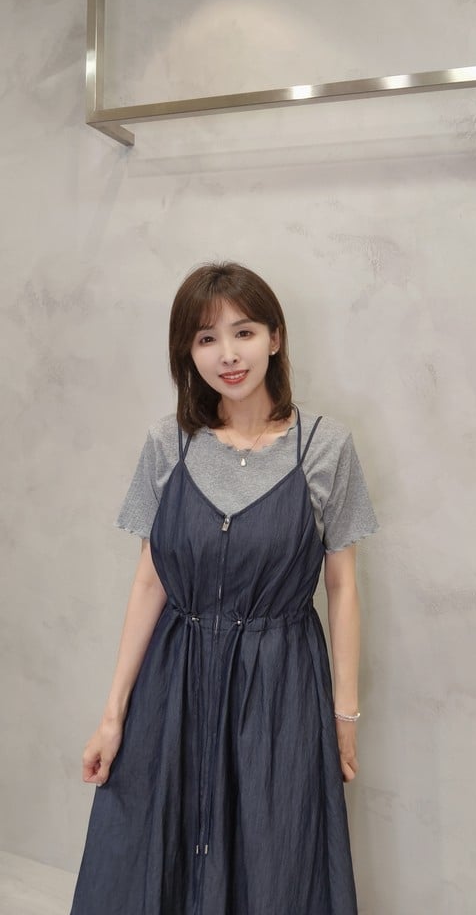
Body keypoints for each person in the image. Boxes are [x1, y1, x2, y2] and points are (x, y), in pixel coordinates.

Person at [70, 261, 378, 915]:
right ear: (187, 352)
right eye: (206, 338)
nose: (228, 355)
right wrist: (112, 715)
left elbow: (343, 586)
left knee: (276, 853)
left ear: (275, 337)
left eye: (244, 332)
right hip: (174, 680)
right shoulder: (169, 444)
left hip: (280, 684)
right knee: (159, 850)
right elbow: (150, 578)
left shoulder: (326, 447)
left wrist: (344, 716)